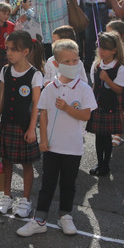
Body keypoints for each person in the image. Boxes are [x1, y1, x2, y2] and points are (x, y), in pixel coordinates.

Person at [16, 39, 96, 237]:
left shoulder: (84, 88)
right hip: (52, 147)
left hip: (73, 147)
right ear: (56, 64)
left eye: (75, 60)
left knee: (68, 184)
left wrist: (68, 108)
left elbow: (86, 115)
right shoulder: (50, 88)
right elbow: (43, 115)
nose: (72, 65)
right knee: (47, 184)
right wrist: (43, 140)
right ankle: (39, 220)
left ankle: (65, 216)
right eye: (66, 61)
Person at [0, 30, 43, 218]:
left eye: (14, 49)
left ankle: (26, 200)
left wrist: (31, 129)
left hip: (23, 126)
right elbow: (1, 99)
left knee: (27, 164)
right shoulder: (5, 70)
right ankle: (7, 196)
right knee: (7, 161)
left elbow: (36, 104)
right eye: (7, 49)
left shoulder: (35, 75)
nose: (9, 53)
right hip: (6, 125)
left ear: (26, 51)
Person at [86, 31, 124, 177]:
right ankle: (99, 162)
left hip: (110, 107)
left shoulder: (120, 68)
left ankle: (106, 165)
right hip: (98, 107)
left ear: (114, 50)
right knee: (99, 138)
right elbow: (94, 86)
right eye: (99, 47)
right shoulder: (96, 65)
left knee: (107, 138)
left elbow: (119, 89)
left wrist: (107, 80)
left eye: (105, 48)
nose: (101, 51)